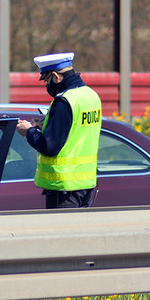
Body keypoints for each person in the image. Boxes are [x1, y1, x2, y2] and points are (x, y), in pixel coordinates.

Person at [16, 52, 102, 208]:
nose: (47, 85)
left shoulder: (64, 101)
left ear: (56, 76)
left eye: (47, 80)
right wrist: (48, 126)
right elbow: (77, 130)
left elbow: (50, 147)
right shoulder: (91, 96)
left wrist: (28, 131)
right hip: (87, 184)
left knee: (61, 231)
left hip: (64, 187)